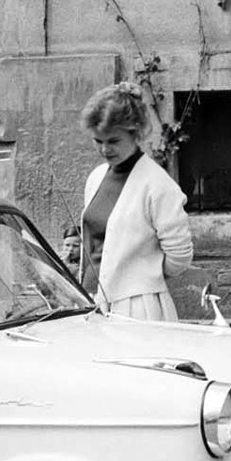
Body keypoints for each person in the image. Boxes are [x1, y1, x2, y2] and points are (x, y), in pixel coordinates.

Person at [79, 82, 193, 321]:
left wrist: (143, 276)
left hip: (138, 310)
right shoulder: (96, 177)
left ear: (136, 133)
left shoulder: (157, 185)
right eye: (98, 141)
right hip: (91, 301)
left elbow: (180, 256)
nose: (104, 149)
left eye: (113, 141)